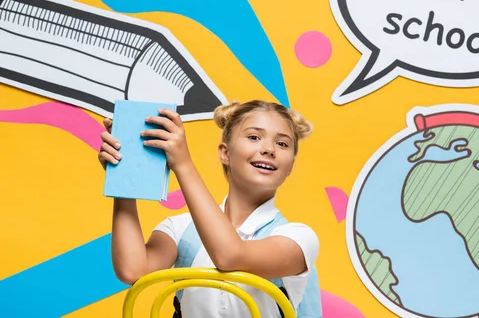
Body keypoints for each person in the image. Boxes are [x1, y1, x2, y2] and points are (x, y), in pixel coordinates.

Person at [98, 100, 321, 317]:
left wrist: (183, 164)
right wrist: (121, 175)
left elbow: (230, 256)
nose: (269, 149)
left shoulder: (299, 238)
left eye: (282, 144)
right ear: (225, 153)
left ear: (290, 165)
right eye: (254, 137)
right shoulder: (181, 229)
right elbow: (132, 270)